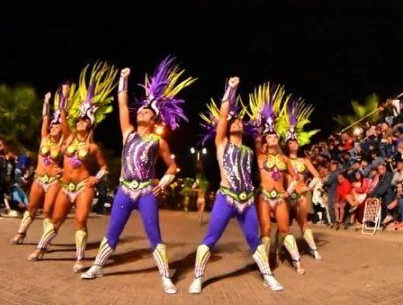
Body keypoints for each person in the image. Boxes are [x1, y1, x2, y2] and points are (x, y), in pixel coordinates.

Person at [82, 58, 194, 295]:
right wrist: (123, 80)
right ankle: (97, 266)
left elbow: (172, 167)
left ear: (153, 119)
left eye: (146, 111)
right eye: (141, 109)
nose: (141, 111)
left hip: (145, 192)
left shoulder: (158, 141)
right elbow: (123, 106)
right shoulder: (128, 133)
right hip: (124, 189)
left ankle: (165, 276)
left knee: (154, 234)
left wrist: (162, 183)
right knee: (113, 230)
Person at [188, 77, 283, 294]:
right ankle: (197, 277)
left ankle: (267, 275)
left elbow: (265, 144)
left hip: (246, 200)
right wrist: (231, 89)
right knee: (211, 238)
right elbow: (223, 115)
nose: (238, 122)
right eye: (234, 121)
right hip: (226, 197)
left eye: (240, 121)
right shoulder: (221, 143)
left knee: (253, 239)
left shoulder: (249, 151)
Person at [29, 62, 115, 272]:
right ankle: (41, 248)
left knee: (79, 220)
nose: (80, 122)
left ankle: (80, 258)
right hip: (65, 186)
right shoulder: (67, 139)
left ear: (90, 125)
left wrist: (97, 177)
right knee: (56, 219)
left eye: (84, 120)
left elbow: (105, 167)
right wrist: (65, 96)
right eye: (79, 120)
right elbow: (63, 114)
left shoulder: (93, 147)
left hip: (84, 187)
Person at [248, 84, 304, 274]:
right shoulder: (260, 156)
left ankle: (296, 262)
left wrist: (290, 190)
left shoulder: (284, 158)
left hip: (280, 196)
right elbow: (256, 139)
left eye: (274, 135)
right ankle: (265, 265)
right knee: (265, 230)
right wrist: (257, 121)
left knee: (285, 228)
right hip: (263, 196)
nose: (272, 137)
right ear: (265, 140)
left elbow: (295, 176)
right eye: (269, 136)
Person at [10, 90, 70, 244]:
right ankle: (21, 233)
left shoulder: (63, 144)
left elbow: (71, 160)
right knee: (31, 207)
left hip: (53, 180)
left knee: (48, 211)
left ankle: (45, 240)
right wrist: (46, 101)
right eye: (52, 125)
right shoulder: (44, 138)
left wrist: (65, 98)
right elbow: (45, 118)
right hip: (38, 178)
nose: (53, 127)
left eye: (57, 126)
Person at [282, 96, 323, 259]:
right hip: (288, 196)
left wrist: (310, 187)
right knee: (284, 225)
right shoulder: (284, 160)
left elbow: (317, 176)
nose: (294, 144)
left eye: (296, 141)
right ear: (287, 145)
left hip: (301, 196)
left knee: (303, 224)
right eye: (291, 142)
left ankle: (313, 249)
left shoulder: (304, 160)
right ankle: (280, 249)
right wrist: (290, 189)